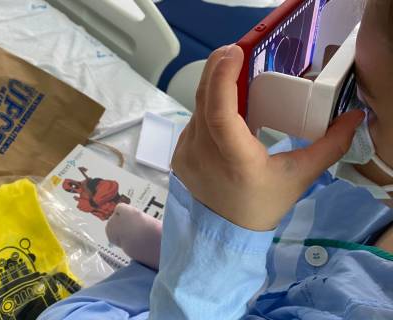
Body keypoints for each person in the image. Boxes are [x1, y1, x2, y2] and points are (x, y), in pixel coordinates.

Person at [39, 1, 393, 318]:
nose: (339, 117)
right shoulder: (350, 181)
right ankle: (175, 254)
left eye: (367, 106)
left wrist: (220, 237)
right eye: (349, 87)